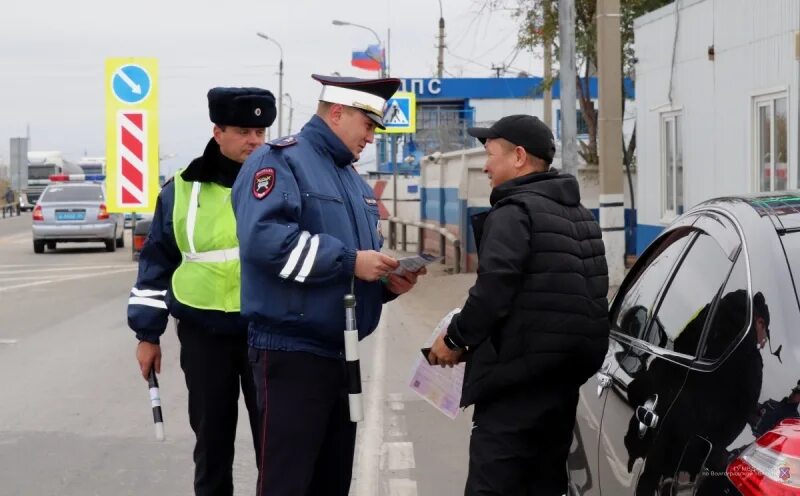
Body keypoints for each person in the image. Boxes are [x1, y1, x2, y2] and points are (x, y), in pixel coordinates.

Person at [231, 74, 425, 496]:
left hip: (340, 352)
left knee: (331, 482)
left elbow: (350, 272)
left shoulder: (352, 180)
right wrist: (351, 260)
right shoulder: (279, 161)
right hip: (290, 353)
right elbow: (266, 243)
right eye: (368, 125)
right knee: (288, 483)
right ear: (337, 113)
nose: (371, 138)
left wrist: (388, 284)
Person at [427, 114, 610, 496]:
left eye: (491, 154)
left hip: (513, 388)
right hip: (561, 388)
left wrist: (456, 339)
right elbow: (592, 295)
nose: (485, 165)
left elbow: (494, 288)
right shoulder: (581, 217)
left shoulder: (514, 212)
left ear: (519, 156)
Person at [127, 87, 276, 496]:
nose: (255, 141)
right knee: (212, 446)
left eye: (262, 132)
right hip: (203, 335)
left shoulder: (279, 182)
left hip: (267, 333)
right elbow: (155, 266)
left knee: (276, 447)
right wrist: (147, 334)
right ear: (218, 131)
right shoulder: (180, 189)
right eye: (245, 131)